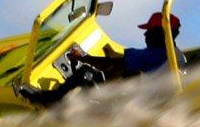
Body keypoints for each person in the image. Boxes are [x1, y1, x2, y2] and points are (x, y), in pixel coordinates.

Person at [15, 12, 186, 105]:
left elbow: (107, 64)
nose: (145, 33)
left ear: (162, 33)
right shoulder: (176, 54)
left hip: (143, 106)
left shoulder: (156, 54)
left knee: (85, 74)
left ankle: (47, 99)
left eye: (150, 30)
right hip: (154, 101)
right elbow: (119, 65)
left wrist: (83, 57)